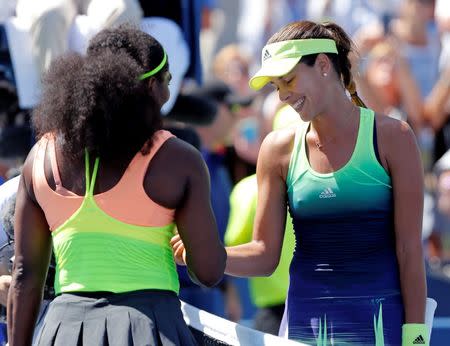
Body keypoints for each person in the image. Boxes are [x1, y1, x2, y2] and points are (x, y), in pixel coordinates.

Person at [173, 20, 428, 345]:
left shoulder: (395, 137)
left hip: (381, 327)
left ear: (323, 64)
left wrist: (416, 335)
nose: (282, 95)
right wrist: (208, 254)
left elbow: (409, 250)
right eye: (277, 85)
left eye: (289, 80)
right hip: (303, 329)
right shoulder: (277, 150)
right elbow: (265, 255)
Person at [8, 25, 226, 346]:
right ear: (150, 86)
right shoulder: (178, 159)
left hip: (62, 330)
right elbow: (208, 272)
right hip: (150, 327)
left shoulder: (38, 158)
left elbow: (25, 277)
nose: (168, 93)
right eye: (166, 81)